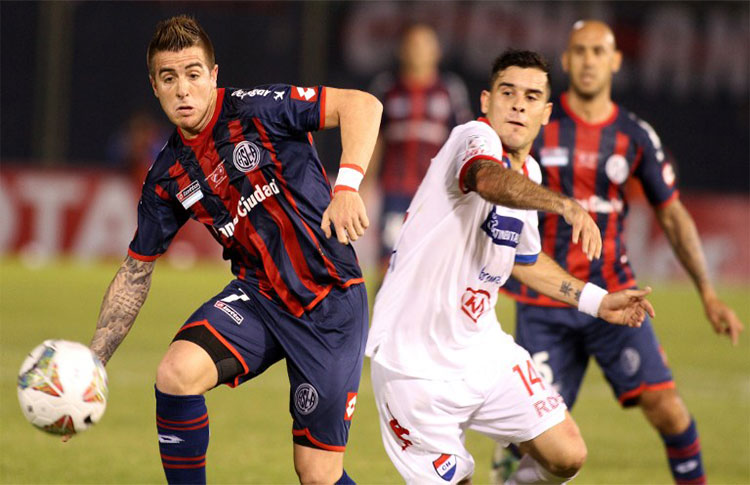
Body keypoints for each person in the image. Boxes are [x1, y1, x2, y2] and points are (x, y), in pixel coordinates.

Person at [72, 15, 382, 485]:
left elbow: (362, 104)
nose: (182, 90)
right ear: (154, 86)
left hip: (330, 303)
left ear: (214, 77)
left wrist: (348, 185)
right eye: (168, 78)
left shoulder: (259, 109)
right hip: (258, 299)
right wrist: (93, 362)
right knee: (175, 374)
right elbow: (136, 272)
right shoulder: (167, 175)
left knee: (317, 475)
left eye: (193, 74)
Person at [366, 49, 655, 485]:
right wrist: (567, 206)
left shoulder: (530, 173)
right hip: (414, 368)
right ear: (486, 100)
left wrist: (598, 302)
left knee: (566, 455)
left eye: (531, 96)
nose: (519, 104)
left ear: (545, 112)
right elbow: (487, 179)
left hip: (482, 350)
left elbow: (525, 260)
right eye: (508, 92)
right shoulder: (472, 138)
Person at [494, 20, 745, 485]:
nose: (589, 60)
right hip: (545, 303)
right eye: (580, 51)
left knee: (668, 411)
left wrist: (708, 293)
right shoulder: (540, 127)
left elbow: (672, 215)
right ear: (567, 61)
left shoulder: (634, 136)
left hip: (617, 298)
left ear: (615, 61)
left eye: (598, 51)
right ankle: (511, 455)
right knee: (537, 440)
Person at [366, 23, 473, 277]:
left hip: (436, 193)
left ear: (437, 52)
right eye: (413, 45)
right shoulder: (386, 88)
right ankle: (383, 316)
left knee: (432, 268)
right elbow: (372, 140)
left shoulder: (450, 90)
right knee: (389, 263)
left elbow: (463, 141)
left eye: (425, 45)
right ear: (402, 51)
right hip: (395, 192)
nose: (418, 51)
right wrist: (364, 184)